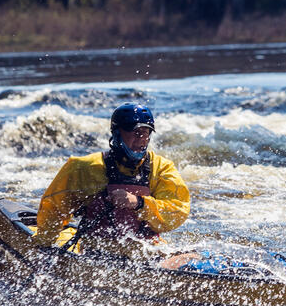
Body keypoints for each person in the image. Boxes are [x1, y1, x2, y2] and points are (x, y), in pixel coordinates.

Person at [35, 103, 191, 264]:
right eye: (136, 133)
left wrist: (139, 203)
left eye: (145, 133)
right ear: (117, 133)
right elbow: (53, 209)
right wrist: (44, 246)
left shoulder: (161, 168)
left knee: (193, 257)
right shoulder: (84, 168)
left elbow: (178, 211)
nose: (141, 140)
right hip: (99, 254)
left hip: (148, 253)